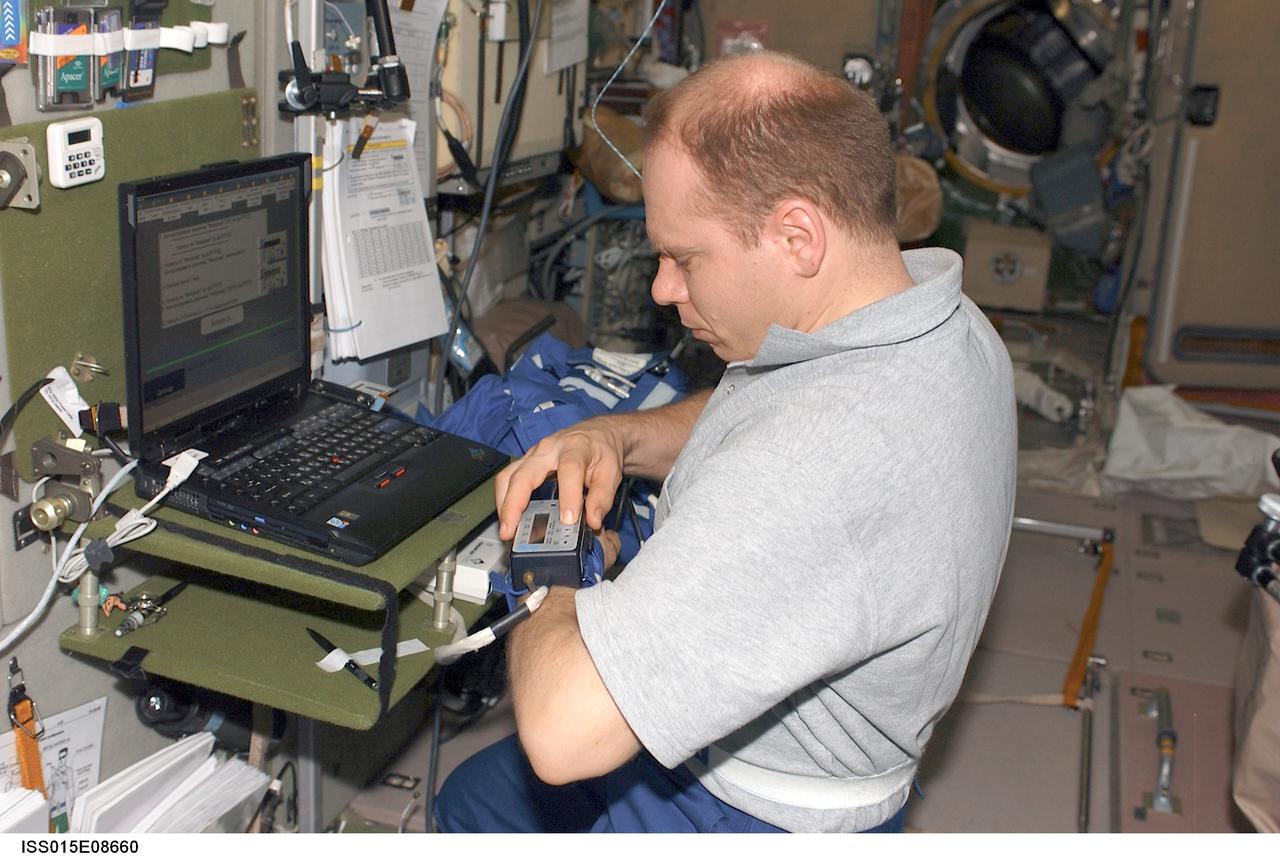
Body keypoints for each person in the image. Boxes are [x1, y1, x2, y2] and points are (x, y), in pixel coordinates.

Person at [435, 49, 1017, 834]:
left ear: (797, 236)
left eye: (684, 256)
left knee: (488, 800)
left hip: (741, 807)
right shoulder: (940, 323)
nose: (662, 288)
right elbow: (759, 408)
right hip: (798, 754)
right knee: (472, 796)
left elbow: (561, 734)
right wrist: (619, 435)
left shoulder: (816, 466)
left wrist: (556, 560)